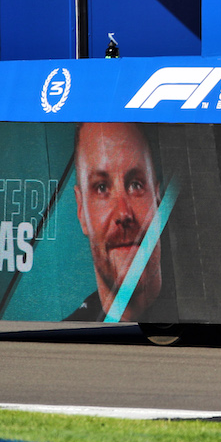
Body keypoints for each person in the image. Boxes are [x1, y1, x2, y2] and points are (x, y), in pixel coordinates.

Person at [66, 123, 164, 322]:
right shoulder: (61, 342)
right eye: (101, 188)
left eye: (136, 185)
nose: (123, 213)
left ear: (158, 199)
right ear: (81, 210)